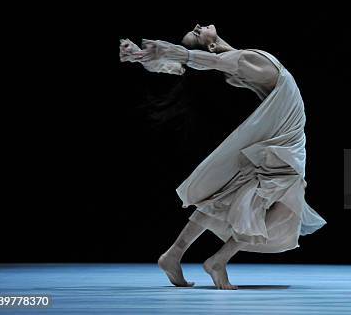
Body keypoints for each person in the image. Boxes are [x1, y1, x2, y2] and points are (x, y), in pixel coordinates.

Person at [119, 24, 326, 289]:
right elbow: (212, 61)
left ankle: (175, 254)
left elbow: (213, 62)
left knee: (235, 196)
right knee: (285, 199)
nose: (197, 26)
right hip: (283, 140)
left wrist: (159, 56)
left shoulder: (237, 64)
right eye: (196, 33)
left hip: (280, 136)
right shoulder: (245, 60)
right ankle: (216, 260)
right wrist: (175, 54)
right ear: (211, 44)